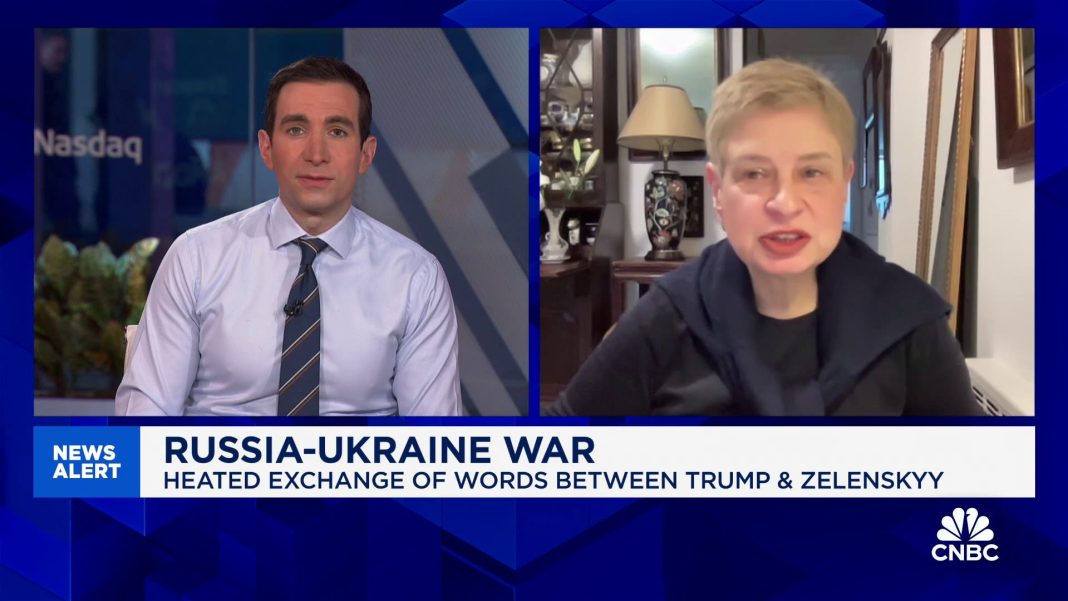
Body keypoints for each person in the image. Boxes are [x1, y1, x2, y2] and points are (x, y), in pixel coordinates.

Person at [547, 58, 982, 417]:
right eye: (754, 173)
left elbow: (976, 478)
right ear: (717, 192)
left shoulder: (911, 324)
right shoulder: (664, 317)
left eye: (811, 172)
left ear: (844, 184)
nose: (784, 203)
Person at [116, 56, 461, 416]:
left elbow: (435, 437)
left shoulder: (415, 277)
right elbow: (145, 416)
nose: (316, 154)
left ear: (365, 153)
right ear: (266, 148)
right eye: (296, 130)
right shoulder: (197, 257)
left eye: (337, 132)